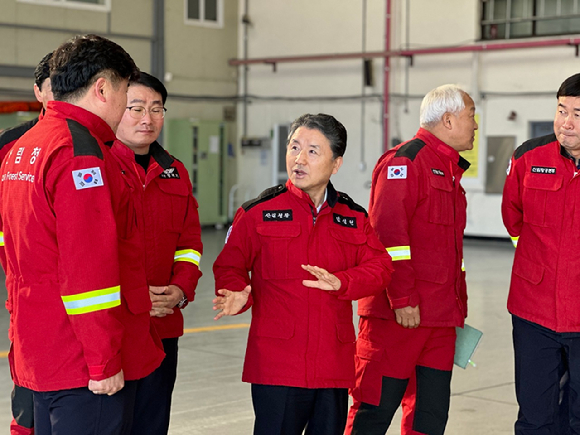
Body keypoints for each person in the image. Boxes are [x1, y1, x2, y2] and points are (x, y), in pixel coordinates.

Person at [0, 34, 164, 435]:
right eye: (126, 91)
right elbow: (88, 270)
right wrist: (103, 361)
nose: (127, 104)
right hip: (80, 361)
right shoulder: (80, 152)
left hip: (39, 346)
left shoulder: (27, 145)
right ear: (103, 87)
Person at [212, 113, 393, 435]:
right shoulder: (257, 213)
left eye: (312, 151)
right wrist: (237, 291)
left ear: (336, 163)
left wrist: (343, 282)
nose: (299, 158)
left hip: (332, 364)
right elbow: (229, 265)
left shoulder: (352, 218)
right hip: (276, 363)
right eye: (294, 147)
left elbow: (381, 268)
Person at [345, 84, 478, 435]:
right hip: (398, 316)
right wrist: (403, 299)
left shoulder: (450, 172)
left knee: (429, 417)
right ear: (448, 120)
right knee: (373, 411)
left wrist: (457, 307)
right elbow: (388, 237)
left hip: (439, 319)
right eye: (471, 116)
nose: (475, 125)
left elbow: (448, 252)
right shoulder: (405, 162)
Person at [112, 71, 203, 435]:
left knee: (152, 422)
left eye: (156, 108)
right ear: (116, 108)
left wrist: (180, 291)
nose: (147, 119)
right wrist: (134, 296)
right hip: (115, 326)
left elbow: (191, 245)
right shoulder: (96, 168)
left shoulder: (175, 172)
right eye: (135, 108)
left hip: (163, 324)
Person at [502, 72, 580, 434]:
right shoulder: (528, 157)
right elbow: (513, 218)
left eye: (578, 114)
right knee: (535, 414)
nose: (566, 123)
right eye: (562, 110)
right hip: (534, 312)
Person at [0, 51, 53, 435]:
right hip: (23, 285)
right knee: (28, 382)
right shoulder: (11, 145)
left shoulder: (97, 148)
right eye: (55, 87)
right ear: (38, 92)